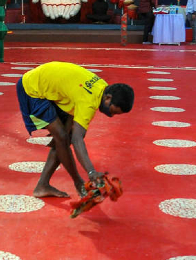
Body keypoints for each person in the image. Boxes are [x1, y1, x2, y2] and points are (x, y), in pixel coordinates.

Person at [16, 62, 135, 198]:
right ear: (108, 98)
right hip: (31, 88)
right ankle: (78, 183)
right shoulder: (89, 102)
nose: (112, 116)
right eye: (114, 111)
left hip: (52, 87)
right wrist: (91, 172)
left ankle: (42, 185)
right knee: (62, 137)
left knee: (64, 138)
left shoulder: (102, 87)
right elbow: (77, 140)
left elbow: (76, 135)